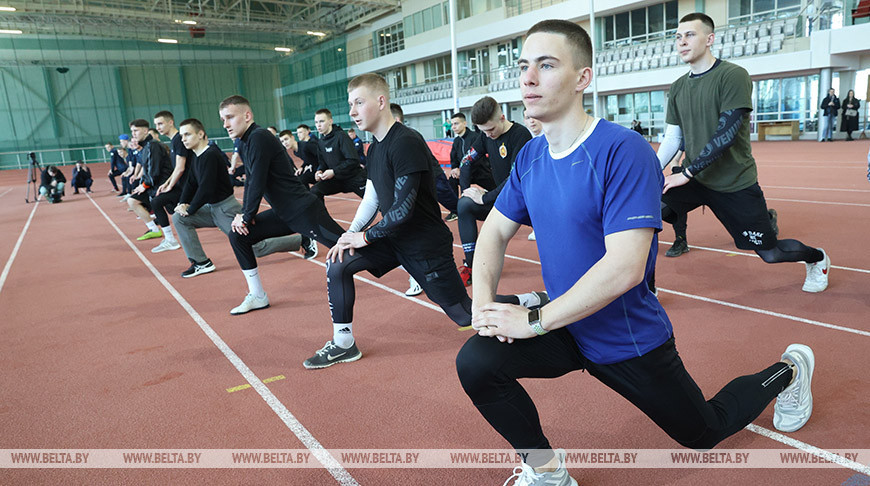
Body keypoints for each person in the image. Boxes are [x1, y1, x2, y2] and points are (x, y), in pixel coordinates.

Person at [455, 20, 816, 486]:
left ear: (583, 78)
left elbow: (625, 267)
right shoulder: (531, 157)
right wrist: (484, 304)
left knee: (703, 432)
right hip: (565, 326)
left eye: (546, 66)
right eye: (524, 66)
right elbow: (494, 233)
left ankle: (790, 370)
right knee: (477, 363)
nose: (527, 78)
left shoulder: (622, 151)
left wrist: (534, 321)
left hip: (622, 336)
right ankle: (547, 471)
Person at [302, 73, 546, 370]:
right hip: (392, 239)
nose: (352, 111)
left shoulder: (406, 141)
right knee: (338, 262)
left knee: (468, 315)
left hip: (424, 244)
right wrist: (350, 234)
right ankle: (344, 344)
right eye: (350, 104)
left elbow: (403, 210)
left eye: (359, 102)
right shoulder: (374, 147)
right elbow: (372, 197)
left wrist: (364, 237)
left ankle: (532, 300)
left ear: (381, 102)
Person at [659, 13, 828, 293]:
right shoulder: (677, 87)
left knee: (770, 253)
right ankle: (646, 288)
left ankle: (817, 258)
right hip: (696, 180)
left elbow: (725, 134)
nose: (682, 42)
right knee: (643, 205)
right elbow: (673, 137)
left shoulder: (732, 75)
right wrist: (649, 172)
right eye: (678, 37)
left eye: (689, 35)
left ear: (709, 39)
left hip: (733, 182)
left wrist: (686, 173)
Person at [221, 95, 348, 315]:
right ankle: (258, 296)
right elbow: (251, 180)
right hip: (284, 214)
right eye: (223, 119)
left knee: (349, 249)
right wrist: (245, 214)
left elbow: (258, 179)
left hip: (304, 211)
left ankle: (407, 264)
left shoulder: (259, 137)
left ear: (247, 115)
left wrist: (246, 214)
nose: (225, 124)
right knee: (239, 236)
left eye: (230, 117)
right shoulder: (244, 142)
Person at [172, 118, 315, 278]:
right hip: (211, 209)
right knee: (179, 218)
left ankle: (302, 240)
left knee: (256, 248)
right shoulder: (196, 156)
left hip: (226, 209)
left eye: (187, 134)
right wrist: (182, 204)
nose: (183, 139)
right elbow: (191, 182)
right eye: (182, 135)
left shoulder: (211, 155)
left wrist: (190, 209)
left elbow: (206, 189)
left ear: (200, 134)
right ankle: (201, 262)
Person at [456, 96, 533, 285]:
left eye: (490, 129)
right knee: (464, 204)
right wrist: (467, 191)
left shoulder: (520, 135)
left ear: (502, 117)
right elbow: (466, 161)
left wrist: (485, 198)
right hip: (502, 201)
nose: (488, 135)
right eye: (483, 131)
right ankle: (472, 265)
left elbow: (514, 178)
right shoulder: (485, 135)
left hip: (526, 201)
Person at [390, 102, 460, 297]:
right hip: (421, 185)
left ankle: (482, 220)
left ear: (395, 119)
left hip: (433, 178)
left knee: (456, 206)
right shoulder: (390, 140)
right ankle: (417, 276)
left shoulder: (408, 137)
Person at [147, 110, 191, 253]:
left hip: (188, 186)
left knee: (157, 202)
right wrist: (166, 184)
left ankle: (171, 240)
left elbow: (180, 167)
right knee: (168, 207)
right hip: (182, 185)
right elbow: (176, 169)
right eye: (156, 125)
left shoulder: (179, 139)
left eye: (160, 124)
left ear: (170, 122)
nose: (158, 127)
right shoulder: (174, 141)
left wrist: (169, 186)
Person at [126, 118, 175, 242]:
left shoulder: (153, 146)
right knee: (133, 201)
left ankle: (170, 239)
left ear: (145, 130)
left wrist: (145, 185)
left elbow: (155, 171)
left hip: (163, 185)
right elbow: (147, 170)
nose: (134, 134)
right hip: (154, 186)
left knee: (182, 214)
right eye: (132, 131)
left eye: (136, 130)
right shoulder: (146, 147)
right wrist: (143, 184)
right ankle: (155, 230)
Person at [310, 108, 367, 200]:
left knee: (377, 202)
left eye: (321, 121)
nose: (318, 125)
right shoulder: (320, 142)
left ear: (330, 121)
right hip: (337, 180)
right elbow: (323, 163)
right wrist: (319, 170)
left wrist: (334, 171)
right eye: (316, 122)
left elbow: (353, 161)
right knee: (315, 191)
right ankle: (322, 215)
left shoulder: (341, 136)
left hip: (354, 177)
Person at [448, 112, 484, 221]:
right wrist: (455, 168)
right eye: (452, 124)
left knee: (496, 187)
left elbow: (479, 158)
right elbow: (453, 158)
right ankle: (455, 210)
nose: (453, 127)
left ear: (464, 123)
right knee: (452, 179)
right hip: (464, 174)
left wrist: (463, 169)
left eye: (456, 123)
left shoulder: (475, 137)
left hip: (480, 172)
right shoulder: (456, 141)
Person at [523, 109, 543, 241]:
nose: (531, 121)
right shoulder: (527, 141)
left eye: (534, 117)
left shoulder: (549, 137)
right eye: (527, 118)